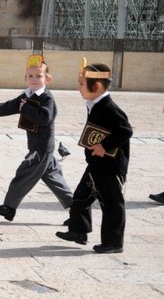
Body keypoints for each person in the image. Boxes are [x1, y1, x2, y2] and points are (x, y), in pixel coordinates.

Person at [0, 55, 73, 222]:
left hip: (41, 149)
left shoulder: (46, 98)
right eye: (31, 76)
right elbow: (7, 106)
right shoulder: (26, 95)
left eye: (39, 76)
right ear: (25, 77)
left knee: (23, 174)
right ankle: (78, 213)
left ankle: (9, 208)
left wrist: (26, 108)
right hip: (42, 148)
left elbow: (45, 118)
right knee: (55, 181)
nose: (34, 79)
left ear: (47, 79)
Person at [56, 58, 133, 254]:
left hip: (111, 167)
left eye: (82, 84)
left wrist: (105, 146)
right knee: (81, 196)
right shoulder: (94, 103)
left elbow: (125, 131)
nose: (78, 88)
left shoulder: (109, 108)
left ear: (96, 86)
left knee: (112, 205)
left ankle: (113, 243)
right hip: (97, 165)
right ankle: (78, 231)